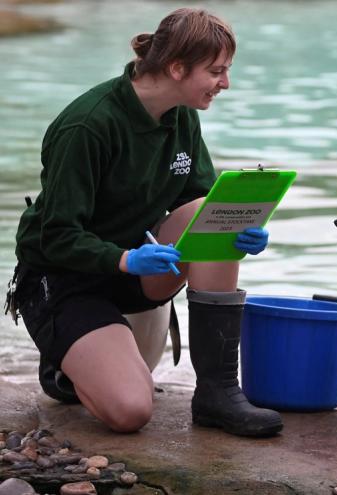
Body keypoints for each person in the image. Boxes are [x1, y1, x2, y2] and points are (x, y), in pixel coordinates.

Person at [4, 8, 283, 438]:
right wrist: (126, 259)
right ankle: (64, 362)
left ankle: (217, 391)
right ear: (176, 68)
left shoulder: (181, 114)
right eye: (216, 72)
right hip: (65, 277)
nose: (225, 83)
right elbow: (56, 235)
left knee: (218, 213)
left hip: (138, 264)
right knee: (131, 412)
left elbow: (197, 199)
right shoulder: (88, 125)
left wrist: (240, 229)